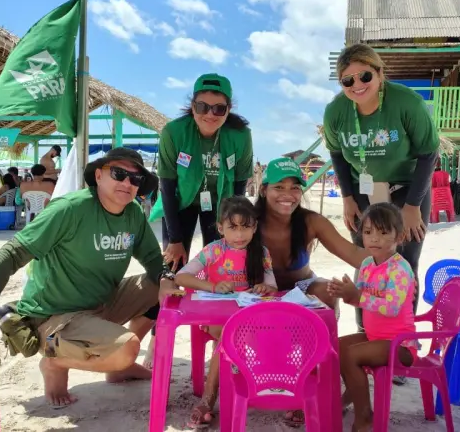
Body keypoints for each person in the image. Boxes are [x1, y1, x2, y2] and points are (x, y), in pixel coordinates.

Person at [0, 147, 181, 407]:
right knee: (127, 348)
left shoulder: (133, 213)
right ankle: (55, 362)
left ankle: (118, 367)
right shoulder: (70, 209)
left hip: (101, 303)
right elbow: (13, 253)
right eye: (119, 174)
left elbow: (153, 259)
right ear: (98, 176)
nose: (127, 183)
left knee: (162, 286)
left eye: (136, 178)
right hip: (55, 315)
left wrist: (166, 278)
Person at [323, 44, 439, 334]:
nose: (357, 85)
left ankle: (401, 338)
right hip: (361, 188)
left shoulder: (406, 102)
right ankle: (366, 332)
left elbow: (429, 153)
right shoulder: (336, 111)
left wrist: (413, 206)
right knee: (367, 260)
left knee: (405, 260)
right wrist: (347, 197)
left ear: (379, 73)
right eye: (347, 80)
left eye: (365, 76)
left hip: (408, 186)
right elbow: (337, 154)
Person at [254, 157, 371, 427]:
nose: (288, 194)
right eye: (279, 187)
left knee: (328, 291)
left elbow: (352, 252)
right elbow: (219, 253)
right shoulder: (248, 220)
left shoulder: (311, 221)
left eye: (295, 188)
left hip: (301, 287)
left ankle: (318, 375)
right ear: (264, 190)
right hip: (261, 292)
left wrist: (393, 267)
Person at [174, 196, 277, 428]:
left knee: (238, 334)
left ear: (255, 227)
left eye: (246, 227)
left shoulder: (261, 252)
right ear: (221, 228)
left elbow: (272, 286)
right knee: (229, 334)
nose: (240, 234)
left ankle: (210, 399)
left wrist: (265, 287)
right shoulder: (213, 251)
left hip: (250, 321)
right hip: (215, 320)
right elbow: (181, 277)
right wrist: (212, 286)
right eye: (233, 227)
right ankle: (210, 396)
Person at [327, 203, 418, 432]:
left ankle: (364, 415)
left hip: (401, 344)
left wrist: (358, 295)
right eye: (368, 232)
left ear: (400, 236)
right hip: (373, 337)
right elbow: (360, 300)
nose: (374, 238)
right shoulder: (367, 264)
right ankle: (351, 396)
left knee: (350, 355)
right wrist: (345, 293)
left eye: (383, 232)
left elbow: (392, 308)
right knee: (335, 348)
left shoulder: (400, 269)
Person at [154, 73, 254, 271]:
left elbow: (239, 186)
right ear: (193, 107)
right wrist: (174, 239)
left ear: (228, 110)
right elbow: (166, 186)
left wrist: (234, 225)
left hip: (220, 203)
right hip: (180, 202)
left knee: (220, 265)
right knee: (174, 264)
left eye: (219, 108)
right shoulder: (173, 132)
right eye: (202, 107)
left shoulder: (241, 135)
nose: (210, 114)